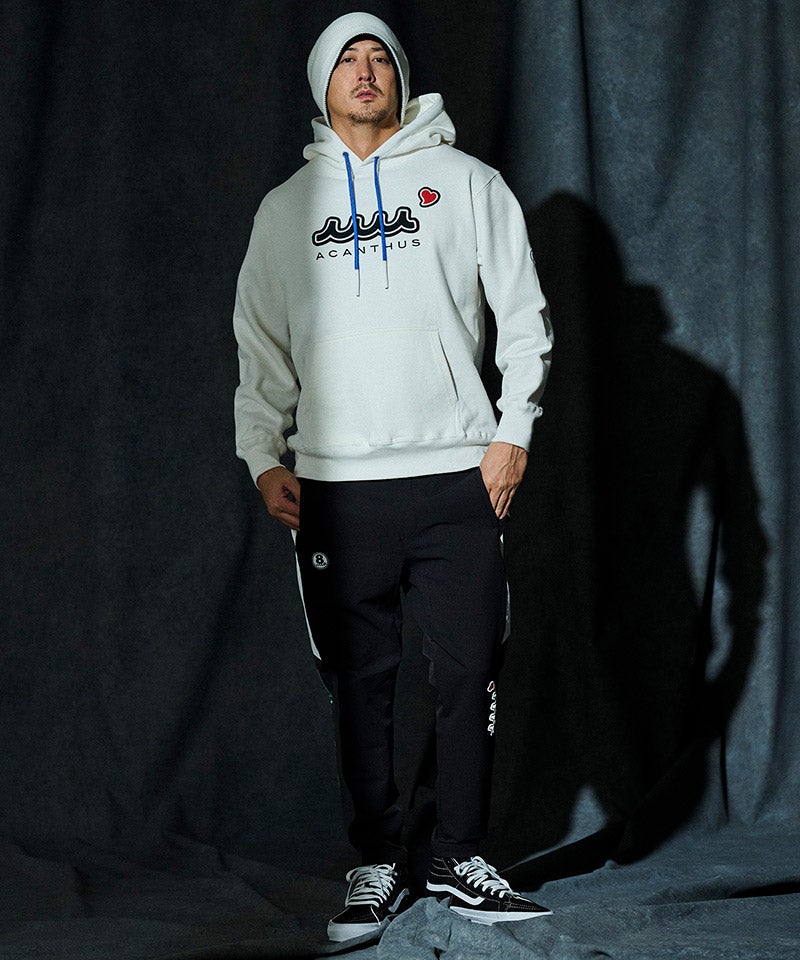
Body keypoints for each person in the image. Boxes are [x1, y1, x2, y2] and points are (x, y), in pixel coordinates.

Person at [233, 12, 553, 942]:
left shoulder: (468, 183)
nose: (366, 70)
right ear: (321, 84)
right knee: (360, 680)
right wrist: (264, 453)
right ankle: (376, 860)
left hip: (457, 475)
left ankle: (458, 856)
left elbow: (524, 316)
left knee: (468, 671)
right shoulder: (286, 208)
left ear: (403, 80)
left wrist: (513, 432)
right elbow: (260, 344)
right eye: (347, 59)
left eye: (381, 57)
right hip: (336, 488)